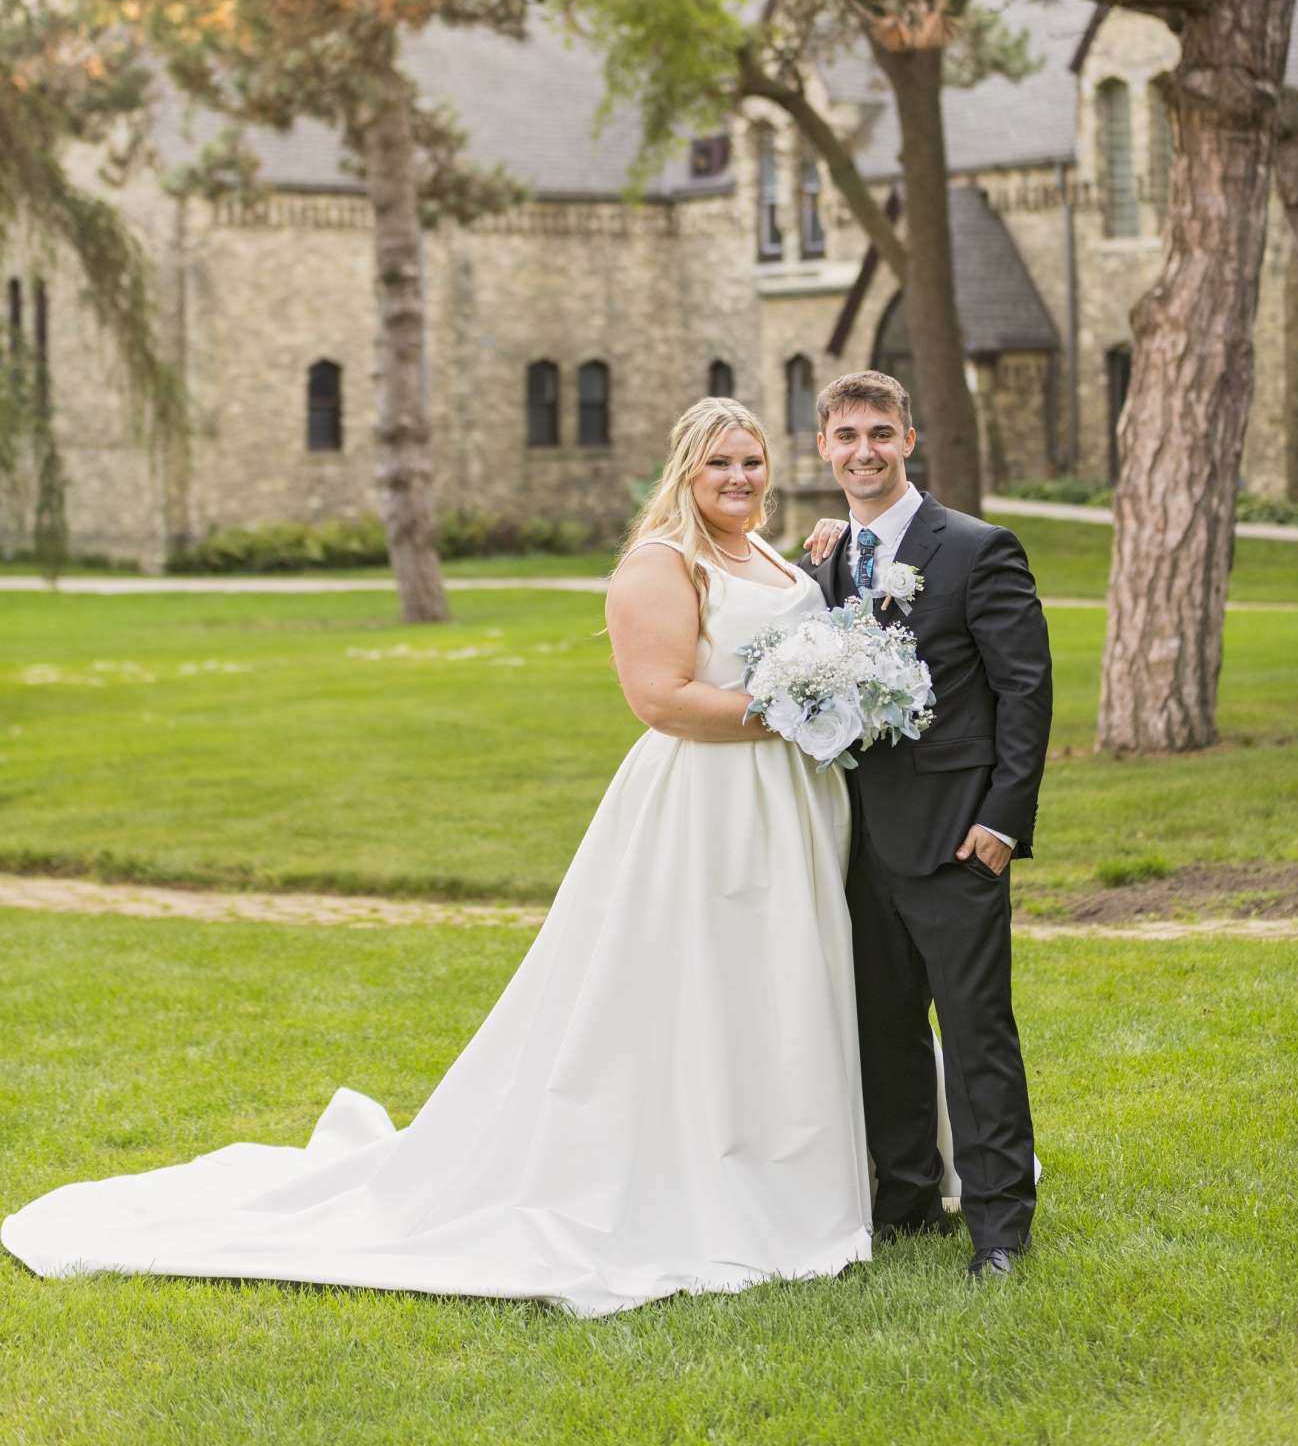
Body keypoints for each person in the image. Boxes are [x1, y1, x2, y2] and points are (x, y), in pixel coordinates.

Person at [4, 397, 949, 1316]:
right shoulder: (659, 565)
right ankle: (703, 1177)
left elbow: (798, 628)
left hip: (793, 804)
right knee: (698, 982)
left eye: (750, 462)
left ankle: (803, 1164)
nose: (738, 477)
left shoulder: (774, 550)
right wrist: (794, 711)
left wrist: (833, 681)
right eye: (719, 464)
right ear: (685, 471)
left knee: (781, 978)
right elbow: (658, 700)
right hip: (708, 806)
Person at [800, 371, 1052, 1281]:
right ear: (822, 448)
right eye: (844, 436)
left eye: (879, 432)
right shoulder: (825, 562)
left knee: (976, 1031)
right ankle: (904, 1204)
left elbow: (1024, 689)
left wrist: (1001, 822)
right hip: (851, 842)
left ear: (908, 439)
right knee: (884, 1027)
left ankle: (999, 1228)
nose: (862, 451)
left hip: (955, 836)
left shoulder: (978, 548)